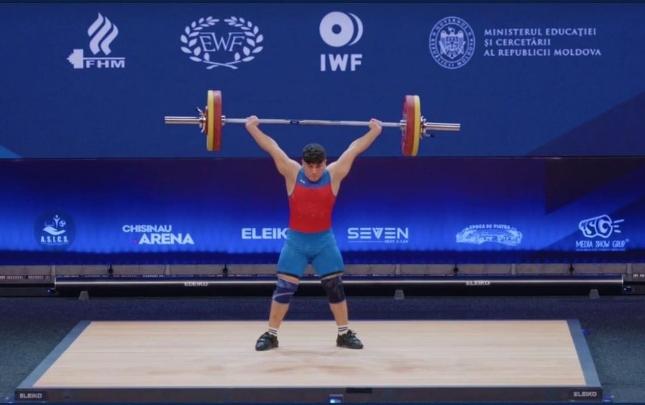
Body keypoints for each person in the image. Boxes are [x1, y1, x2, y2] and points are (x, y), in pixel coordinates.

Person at [244, 115, 382, 351]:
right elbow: (272, 147)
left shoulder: (334, 173)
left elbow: (354, 148)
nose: (315, 171)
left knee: (335, 286)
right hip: (296, 243)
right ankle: (271, 335)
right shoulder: (292, 172)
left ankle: (344, 334)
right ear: (303, 163)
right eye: (310, 166)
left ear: (325, 163)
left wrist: (375, 131)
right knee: (284, 289)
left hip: (324, 242)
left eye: (319, 166)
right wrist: (252, 128)